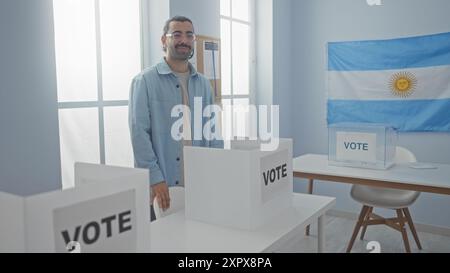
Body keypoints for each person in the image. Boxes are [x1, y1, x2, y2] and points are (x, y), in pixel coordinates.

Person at [129, 16, 223, 219]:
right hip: (162, 186)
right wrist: (155, 178)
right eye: (177, 34)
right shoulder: (145, 81)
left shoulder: (204, 84)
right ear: (164, 40)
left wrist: (217, 169)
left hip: (199, 182)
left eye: (189, 35)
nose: (184, 40)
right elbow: (139, 134)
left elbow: (213, 132)